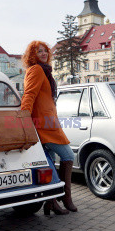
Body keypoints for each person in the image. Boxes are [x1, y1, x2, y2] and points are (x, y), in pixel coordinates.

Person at [20, 41, 77, 215]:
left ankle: (51, 202)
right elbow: (29, 94)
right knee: (68, 155)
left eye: (45, 51)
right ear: (33, 55)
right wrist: (23, 118)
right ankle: (65, 196)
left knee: (50, 160)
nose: (44, 53)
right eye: (39, 51)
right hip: (43, 124)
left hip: (49, 122)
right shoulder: (36, 70)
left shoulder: (44, 70)